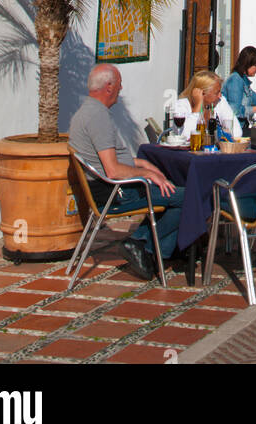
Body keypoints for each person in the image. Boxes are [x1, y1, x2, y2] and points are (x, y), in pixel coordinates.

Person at [69, 64, 184, 282]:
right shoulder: (97, 118)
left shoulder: (87, 111)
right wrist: (147, 175)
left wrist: (141, 163)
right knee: (189, 196)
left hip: (113, 189)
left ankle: (148, 250)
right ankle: (143, 244)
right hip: (118, 193)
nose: (121, 89)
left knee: (170, 189)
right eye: (120, 85)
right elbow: (112, 170)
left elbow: (106, 159)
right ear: (109, 87)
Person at [173, 70, 242, 141]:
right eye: (216, 93)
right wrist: (197, 106)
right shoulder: (182, 105)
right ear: (202, 93)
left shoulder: (219, 101)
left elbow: (237, 132)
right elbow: (185, 137)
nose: (220, 95)